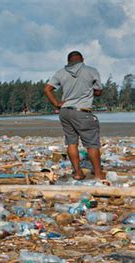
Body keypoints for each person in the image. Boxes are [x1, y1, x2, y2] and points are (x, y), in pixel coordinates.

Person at [44, 51, 105, 181]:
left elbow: (47, 89)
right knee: (92, 144)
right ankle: (99, 175)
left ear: (68, 61)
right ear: (82, 59)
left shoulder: (61, 72)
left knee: (71, 143)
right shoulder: (91, 71)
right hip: (82, 111)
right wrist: (88, 90)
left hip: (65, 111)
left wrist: (56, 104)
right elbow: (99, 91)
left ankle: (78, 173)